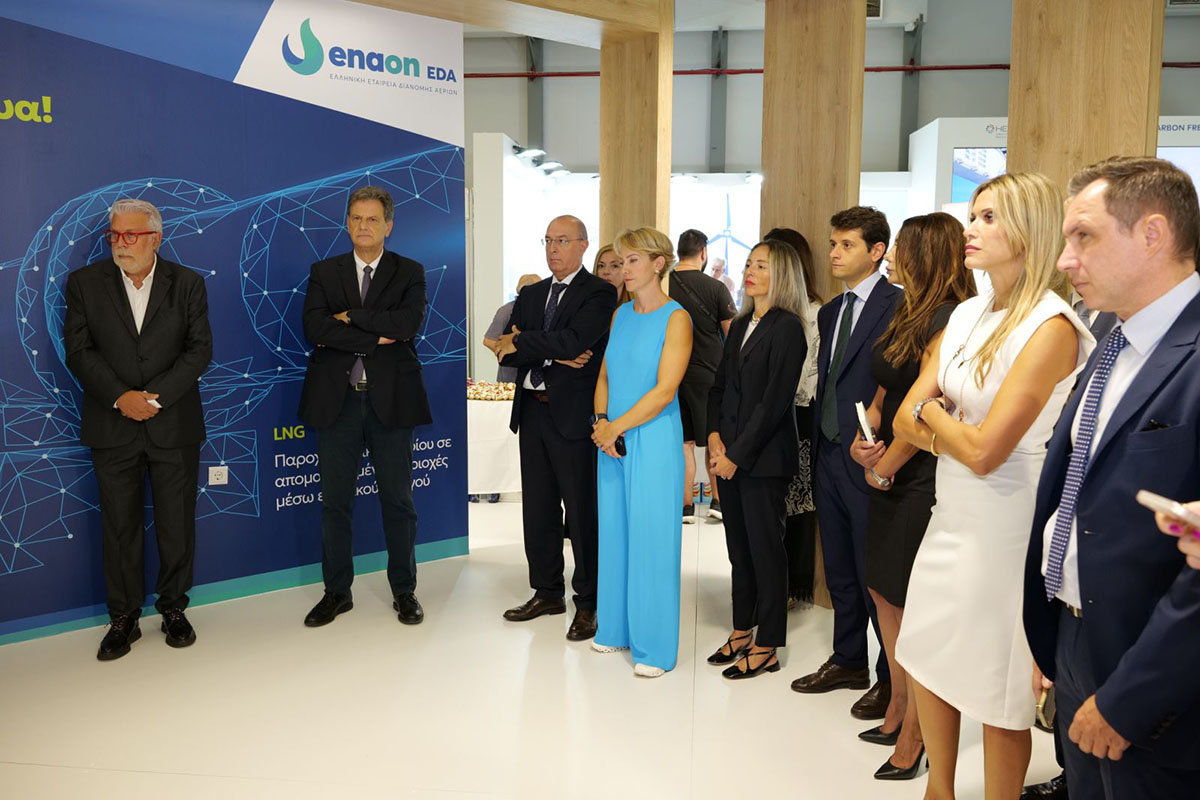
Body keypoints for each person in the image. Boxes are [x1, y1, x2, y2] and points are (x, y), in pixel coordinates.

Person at [893, 172, 1093, 799]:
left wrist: (934, 416)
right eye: (972, 216)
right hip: (951, 510)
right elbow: (904, 417)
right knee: (930, 651)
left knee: (997, 687)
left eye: (987, 218)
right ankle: (940, 790)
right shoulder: (966, 313)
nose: (969, 230)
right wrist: (942, 425)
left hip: (1009, 523)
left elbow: (984, 452)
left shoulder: (1052, 325)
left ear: (1028, 231)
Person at [1022, 156, 1200, 800]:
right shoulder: (1111, 338)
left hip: (1157, 679)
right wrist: (1054, 638)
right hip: (1076, 634)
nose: (1064, 259)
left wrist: (1130, 698)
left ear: (1152, 234)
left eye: (1084, 237)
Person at [849, 213, 975, 781]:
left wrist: (884, 468)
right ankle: (899, 703)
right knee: (883, 592)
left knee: (910, 604)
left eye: (901, 245)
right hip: (889, 466)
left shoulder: (950, 318)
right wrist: (867, 436)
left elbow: (931, 410)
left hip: (921, 473)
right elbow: (885, 391)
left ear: (926, 254)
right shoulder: (907, 309)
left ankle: (918, 734)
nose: (892, 253)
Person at [63, 198, 213, 661]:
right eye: (115, 235)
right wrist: (121, 397)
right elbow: (79, 351)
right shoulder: (84, 284)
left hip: (174, 424)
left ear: (156, 238)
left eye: (131, 235)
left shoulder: (187, 283)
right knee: (119, 526)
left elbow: (199, 350)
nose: (121, 243)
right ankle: (123, 618)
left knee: (176, 524)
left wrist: (154, 399)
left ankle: (173, 608)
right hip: (112, 424)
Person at [297, 186, 432, 628]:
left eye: (372, 219)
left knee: (398, 501)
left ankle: (404, 591)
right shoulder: (324, 271)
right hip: (336, 402)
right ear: (347, 223)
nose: (363, 226)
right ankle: (337, 592)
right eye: (356, 218)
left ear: (388, 226)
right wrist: (378, 336)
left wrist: (351, 317)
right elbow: (315, 327)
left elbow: (407, 324)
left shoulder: (409, 271)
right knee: (335, 503)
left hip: (391, 401)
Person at [792, 207, 900, 723]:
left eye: (847, 245)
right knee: (837, 564)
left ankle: (889, 680)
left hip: (872, 453)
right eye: (833, 243)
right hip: (829, 450)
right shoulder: (831, 310)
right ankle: (848, 659)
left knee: (870, 569)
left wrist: (886, 446)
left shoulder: (899, 305)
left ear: (877, 251)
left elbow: (899, 381)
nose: (834, 253)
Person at [492, 216, 618, 641]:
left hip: (573, 417)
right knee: (539, 509)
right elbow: (505, 352)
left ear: (583, 245)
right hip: (532, 412)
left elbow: (575, 341)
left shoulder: (598, 292)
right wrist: (552, 351)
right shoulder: (531, 294)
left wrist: (528, 341)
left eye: (562, 241)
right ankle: (547, 592)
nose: (553, 249)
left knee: (582, 513)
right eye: (548, 240)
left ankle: (589, 602)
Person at [1022, 293, 1116, 800]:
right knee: (1080, 762)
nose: (1067, 260)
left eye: (1086, 248)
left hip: (1129, 617)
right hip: (1068, 593)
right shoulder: (1100, 338)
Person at [704, 239, 810, 680]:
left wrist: (736, 455)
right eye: (749, 263)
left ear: (781, 274)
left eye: (761, 266)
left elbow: (773, 404)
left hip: (763, 460)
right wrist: (713, 438)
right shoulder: (742, 322)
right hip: (728, 453)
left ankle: (767, 644)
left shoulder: (788, 328)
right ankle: (741, 630)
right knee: (739, 551)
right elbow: (719, 387)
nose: (750, 271)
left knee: (766, 552)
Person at [590, 227, 691, 677]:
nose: (623, 269)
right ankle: (615, 628)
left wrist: (615, 427)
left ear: (658, 263)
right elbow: (605, 376)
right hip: (611, 440)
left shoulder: (676, 318)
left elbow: (666, 389)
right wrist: (601, 423)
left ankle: (654, 648)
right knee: (614, 533)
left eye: (632, 260)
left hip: (652, 438)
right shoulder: (621, 315)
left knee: (652, 538)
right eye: (620, 261)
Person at [763, 227, 822, 607]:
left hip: (800, 414)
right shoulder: (761, 312)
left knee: (796, 505)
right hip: (763, 416)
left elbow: (810, 375)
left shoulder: (815, 311)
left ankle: (790, 586)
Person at [669, 229, 736, 523]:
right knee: (713, 438)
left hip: (672, 373)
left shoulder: (664, 284)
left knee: (683, 442)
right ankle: (718, 501)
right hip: (709, 373)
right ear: (703, 252)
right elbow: (732, 335)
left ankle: (686, 506)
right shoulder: (716, 288)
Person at [483, 273, 542, 384]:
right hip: (510, 380)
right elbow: (489, 340)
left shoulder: (544, 311)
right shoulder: (506, 311)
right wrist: (511, 352)